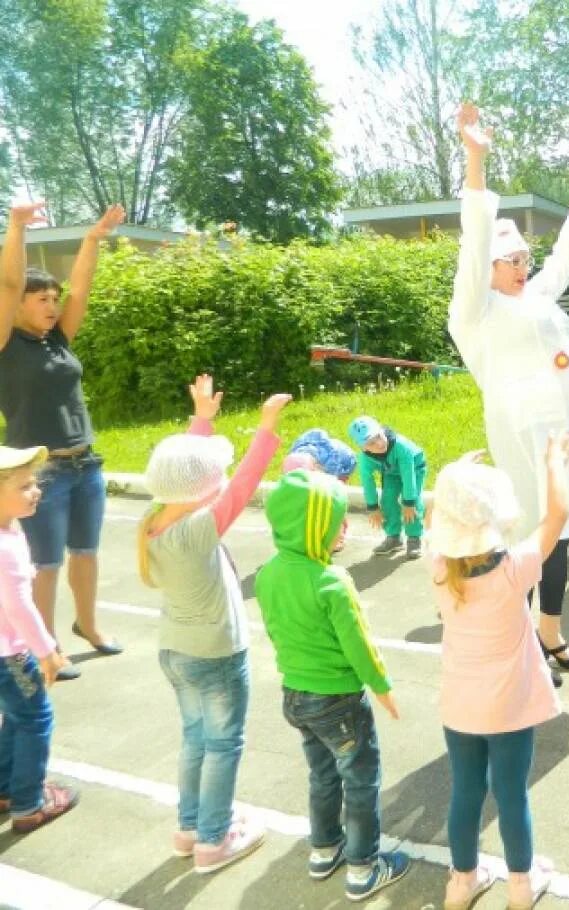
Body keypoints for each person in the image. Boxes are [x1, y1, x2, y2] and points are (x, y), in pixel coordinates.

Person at [448, 102, 569, 676]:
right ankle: (515, 643)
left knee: (560, 532)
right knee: (527, 535)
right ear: (488, 268)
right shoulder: (475, 312)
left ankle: (550, 634)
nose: (522, 268)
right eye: (510, 261)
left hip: (565, 433)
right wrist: (476, 161)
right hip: (524, 435)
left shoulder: (535, 296)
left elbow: (563, 263)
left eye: (524, 258)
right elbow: (475, 241)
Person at [136, 376, 290, 872]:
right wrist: (266, 427)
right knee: (223, 746)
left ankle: (189, 829)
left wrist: (202, 421)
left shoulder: (155, 522)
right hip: (216, 655)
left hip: (175, 652)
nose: (221, 479)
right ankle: (213, 840)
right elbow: (241, 486)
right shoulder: (198, 530)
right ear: (203, 489)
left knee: (196, 740)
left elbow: (184, 476)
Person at [428, 433, 569, 910]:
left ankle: (461, 883)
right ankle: (520, 887)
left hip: (460, 706)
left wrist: (453, 476)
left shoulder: (438, 568)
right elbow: (557, 516)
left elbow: (435, 523)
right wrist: (555, 460)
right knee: (511, 795)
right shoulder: (514, 570)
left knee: (465, 792)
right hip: (509, 707)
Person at [255, 469, 410, 902]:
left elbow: (276, 631)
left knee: (323, 774)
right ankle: (363, 868)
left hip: (295, 695)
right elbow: (359, 645)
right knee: (361, 780)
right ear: (311, 527)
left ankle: (324, 848)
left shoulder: (268, 574)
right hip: (338, 700)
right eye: (336, 521)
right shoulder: (331, 582)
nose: (344, 528)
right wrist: (382, 688)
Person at [0, 200, 127, 679]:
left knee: (86, 553)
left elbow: (83, 289)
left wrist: (92, 239)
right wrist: (17, 227)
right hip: (43, 471)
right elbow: (7, 283)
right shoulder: (6, 344)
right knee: (46, 564)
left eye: (55, 298)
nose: (53, 306)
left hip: (85, 463)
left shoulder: (58, 340)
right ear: (19, 306)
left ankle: (88, 626)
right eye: (42, 299)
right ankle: (44, 648)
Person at [0, 444, 76, 834]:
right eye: (24, 486)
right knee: (35, 718)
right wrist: (47, 652)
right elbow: (18, 607)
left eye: (34, 483)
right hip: (10, 655)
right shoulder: (6, 547)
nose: (36, 491)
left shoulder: (9, 530)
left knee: (17, 715)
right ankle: (29, 804)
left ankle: (5, 787)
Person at [347, 415, 426, 558]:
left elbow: (408, 476)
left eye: (378, 436)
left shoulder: (401, 446)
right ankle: (394, 537)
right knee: (387, 501)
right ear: (363, 447)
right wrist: (373, 507)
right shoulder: (364, 458)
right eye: (371, 443)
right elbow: (367, 482)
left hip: (414, 467)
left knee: (412, 503)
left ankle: (414, 538)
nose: (379, 444)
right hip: (391, 472)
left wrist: (409, 502)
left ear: (382, 430)